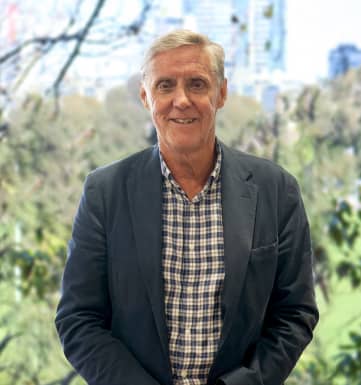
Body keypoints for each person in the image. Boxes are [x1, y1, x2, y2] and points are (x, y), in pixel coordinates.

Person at [55, 29, 318, 385]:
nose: (181, 100)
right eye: (165, 85)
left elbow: (294, 314)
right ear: (145, 96)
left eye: (197, 84)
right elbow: (79, 319)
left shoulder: (276, 190)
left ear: (221, 93)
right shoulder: (105, 193)